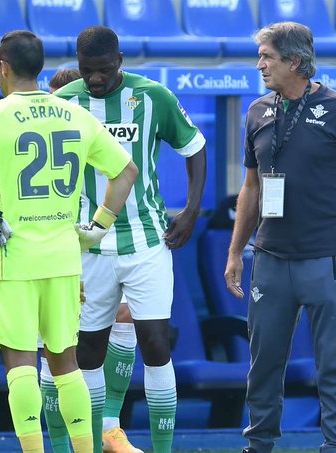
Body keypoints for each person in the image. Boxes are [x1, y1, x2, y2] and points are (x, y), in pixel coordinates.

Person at [0, 30, 139, 453]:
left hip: (14, 258)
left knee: (21, 364)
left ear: (2, 66)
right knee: (66, 363)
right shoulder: (75, 114)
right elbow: (125, 172)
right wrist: (98, 227)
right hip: (63, 256)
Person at [53, 26, 207, 453]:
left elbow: (194, 147)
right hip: (87, 247)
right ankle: (97, 440)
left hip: (145, 244)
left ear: (119, 60)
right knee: (88, 352)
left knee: (156, 345)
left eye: (102, 70)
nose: (96, 79)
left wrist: (191, 210)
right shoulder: (64, 103)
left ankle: (162, 448)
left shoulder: (154, 96)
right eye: (87, 71)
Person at [224, 21, 336, 453]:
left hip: (326, 257)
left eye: (268, 56)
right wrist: (235, 253)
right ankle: (260, 442)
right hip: (269, 257)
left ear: (296, 62)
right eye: (260, 55)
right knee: (263, 361)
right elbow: (251, 186)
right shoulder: (257, 111)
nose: (260, 64)